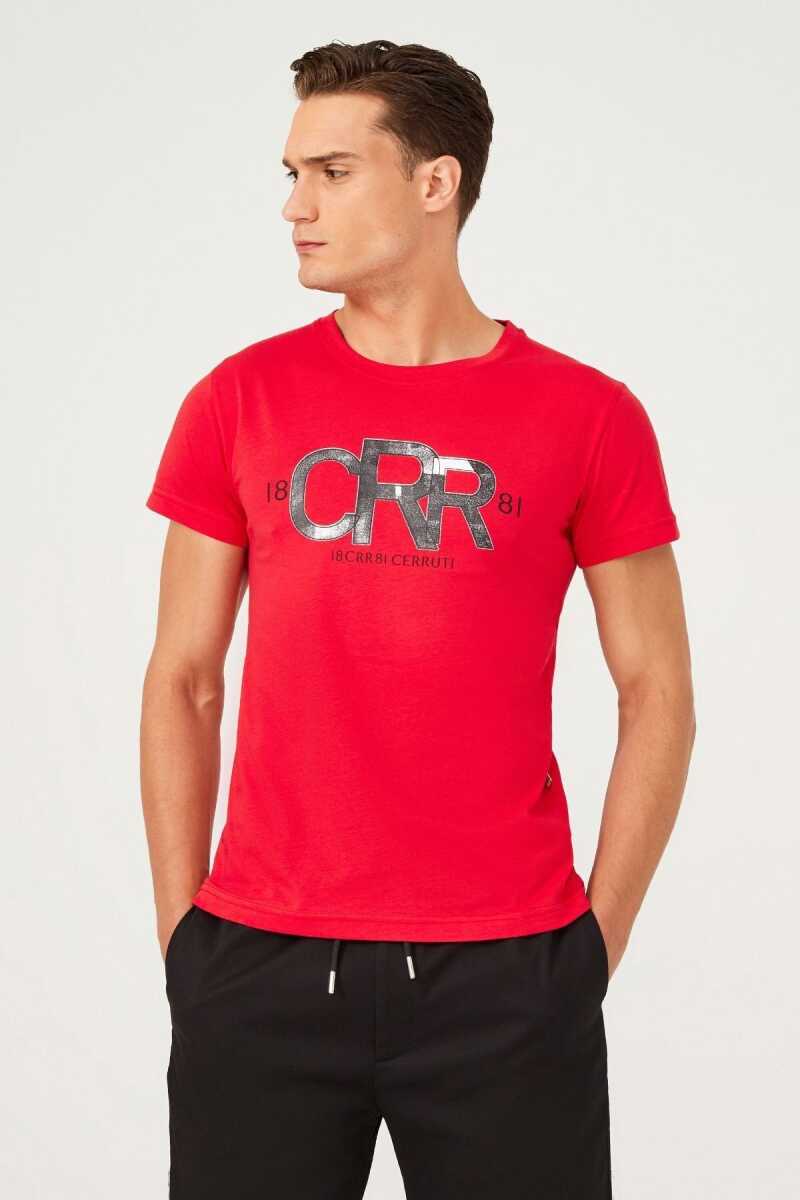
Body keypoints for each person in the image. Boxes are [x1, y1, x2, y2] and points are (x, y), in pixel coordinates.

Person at [140, 38, 695, 1199]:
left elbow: (655, 691)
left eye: (332, 173)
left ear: (434, 183)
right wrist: (185, 938)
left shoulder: (588, 417)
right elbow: (185, 677)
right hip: (261, 966)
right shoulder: (238, 400)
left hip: (509, 975)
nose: (294, 206)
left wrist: (589, 947)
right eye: (291, 174)